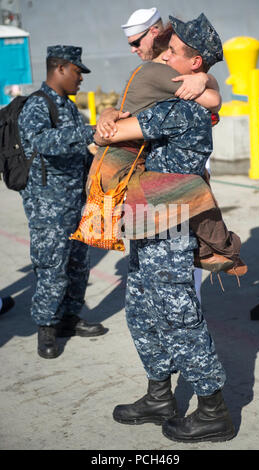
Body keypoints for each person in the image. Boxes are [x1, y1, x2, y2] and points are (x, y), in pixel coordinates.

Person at [94, 14, 236, 443]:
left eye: (172, 52)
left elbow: (112, 136)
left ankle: (213, 409)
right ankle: (159, 395)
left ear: (195, 64)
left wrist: (106, 122)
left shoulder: (182, 111)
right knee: (140, 309)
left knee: (178, 314)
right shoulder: (172, 99)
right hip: (144, 218)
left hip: (169, 222)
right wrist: (107, 110)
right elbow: (122, 122)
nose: (163, 56)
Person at [18, 45, 106, 360]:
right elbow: (42, 142)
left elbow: (79, 148)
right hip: (48, 205)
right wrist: (89, 132)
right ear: (60, 68)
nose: (81, 78)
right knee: (52, 266)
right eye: (77, 71)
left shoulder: (68, 107)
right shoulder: (38, 106)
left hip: (75, 201)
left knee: (78, 263)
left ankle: (70, 317)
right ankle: (46, 328)